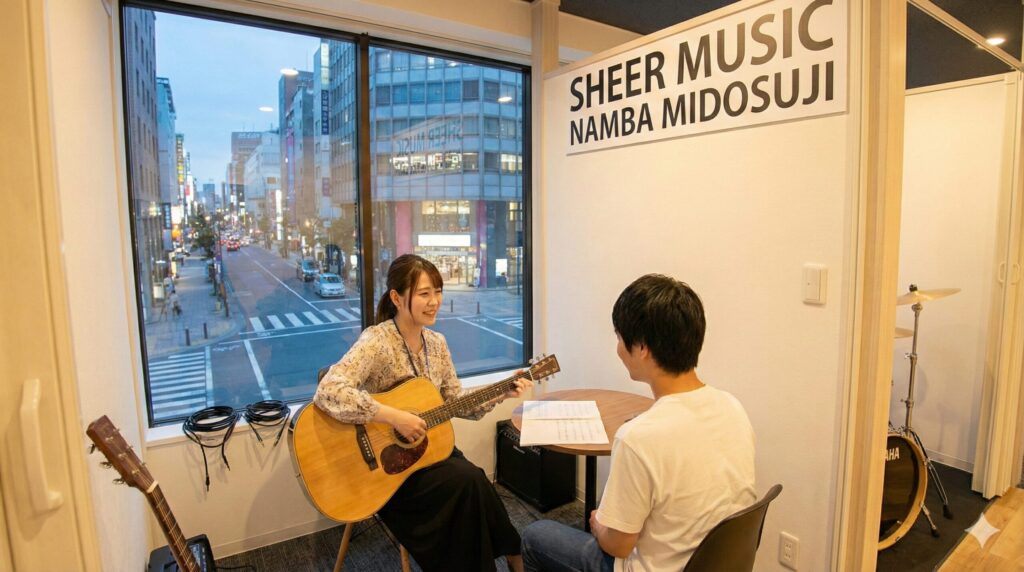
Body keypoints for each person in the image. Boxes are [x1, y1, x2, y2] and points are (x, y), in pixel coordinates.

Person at [521, 274, 756, 572]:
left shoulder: (638, 437)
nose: (618, 348)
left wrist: (598, 525)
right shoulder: (732, 406)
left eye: (619, 338)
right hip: (714, 563)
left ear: (642, 347)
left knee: (535, 535)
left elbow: (618, 546)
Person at [313, 254, 531, 572]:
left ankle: (513, 554)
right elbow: (328, 391)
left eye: (438, 292)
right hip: (389, 470)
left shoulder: (437, 344)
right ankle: (499, 558)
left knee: (476, 483)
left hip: (431, 453)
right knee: (469, 481)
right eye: (424, 293)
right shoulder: (377, 341)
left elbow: (455, 401)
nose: (434, 302)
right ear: (397, 298)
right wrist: (393, 417)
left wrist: (501, 392)